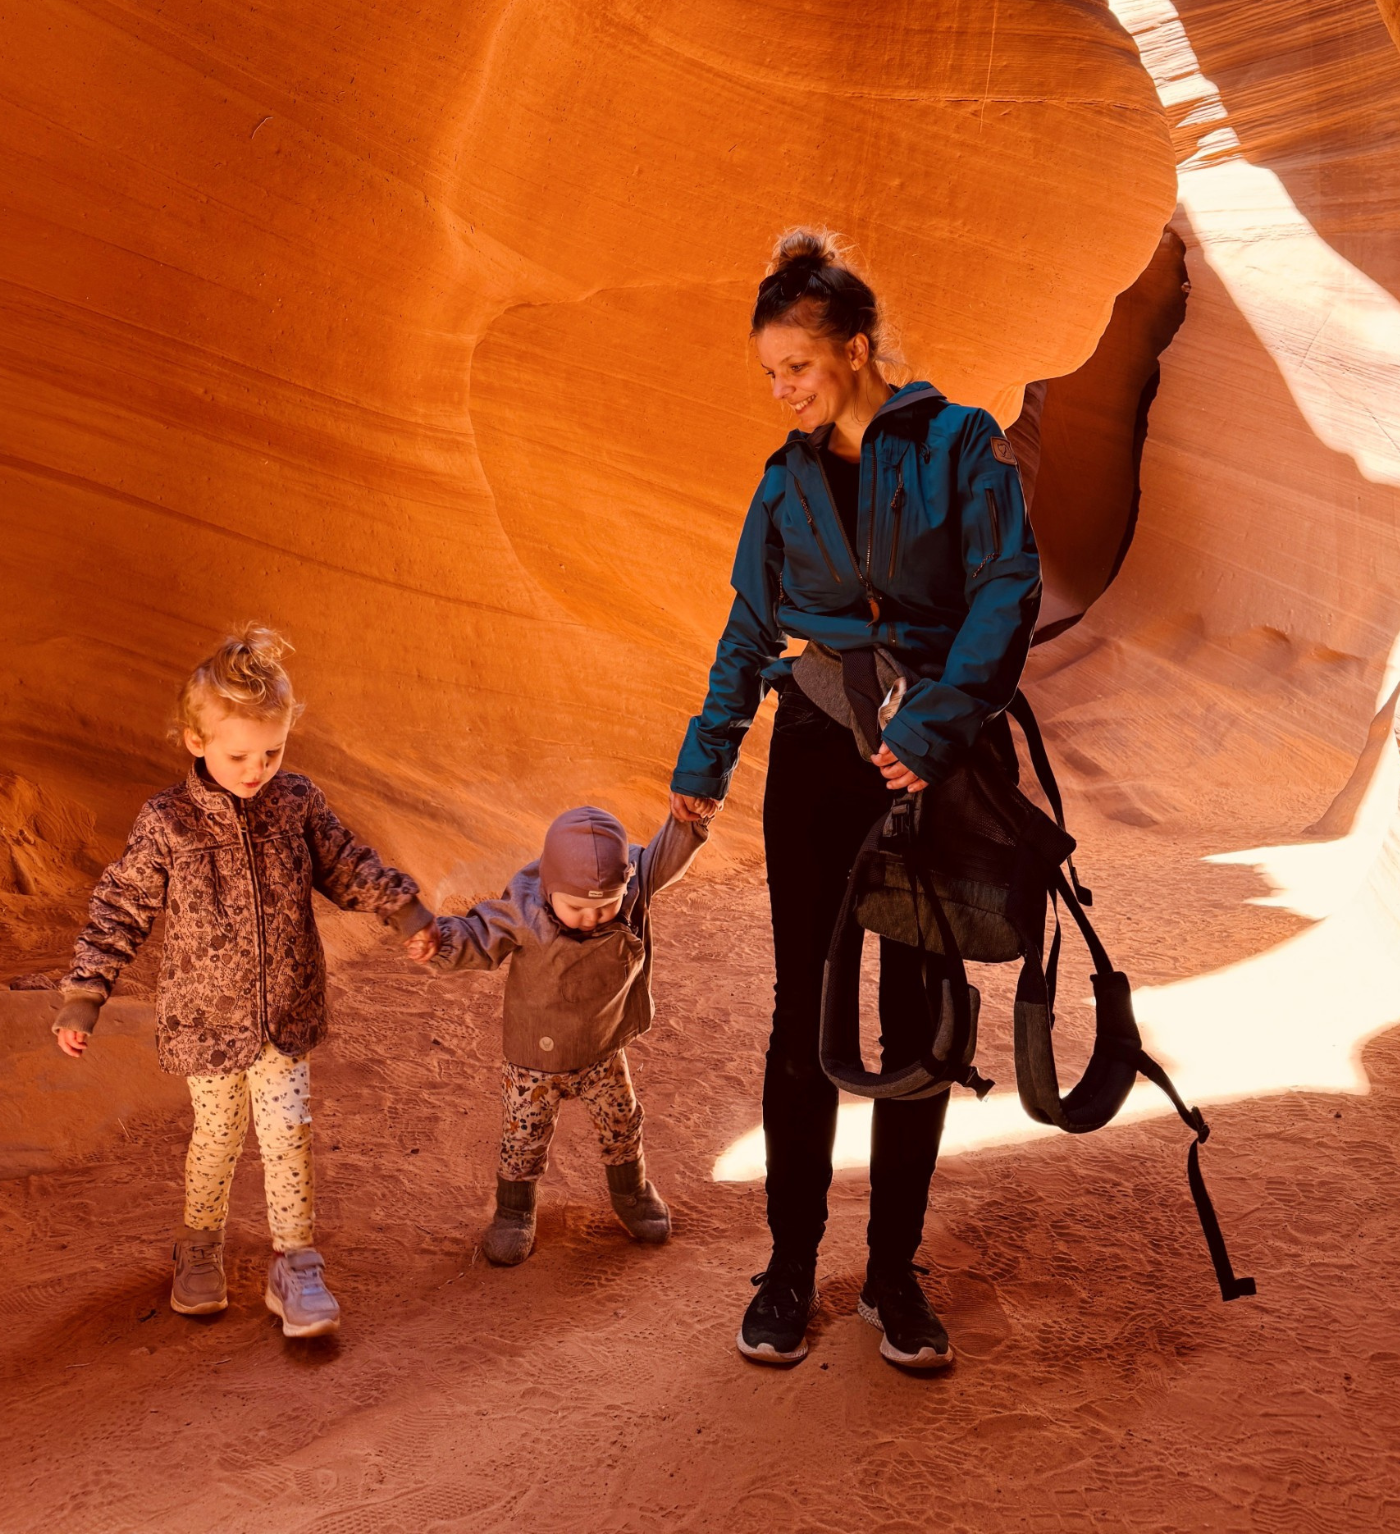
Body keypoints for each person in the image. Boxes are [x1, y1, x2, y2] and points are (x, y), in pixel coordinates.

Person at [669, 231, 1040, 1372]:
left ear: (856, 349)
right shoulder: (782, 482)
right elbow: (745, 630)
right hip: (820, 757)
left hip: (928, 759)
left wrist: (929, 732)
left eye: (796, 368)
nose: (781, 394)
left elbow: (1004, 590)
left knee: (917, 1010)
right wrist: (697, 782)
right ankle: (788, 1268)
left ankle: (891, 1274)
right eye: (770, 375)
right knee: (804, 1010)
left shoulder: (959, 445)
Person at [52, 627, 439, 1337]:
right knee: (219, 1135)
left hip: (285, 1012)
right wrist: (85, 994)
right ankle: (198, 1247)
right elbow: (120, 908)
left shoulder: (295, 803)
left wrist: (405, 910)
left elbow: (349, 865)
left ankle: (295, 1262)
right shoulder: (167, 822)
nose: (257, 768)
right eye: (239, 755)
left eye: (274, 751)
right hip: (206, 1023)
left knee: (288, 1133)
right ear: (194, 742)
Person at [415, 805, 708, 1265]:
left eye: (604, 905)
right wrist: (437, 941)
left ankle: (631, 1193)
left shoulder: (631, 891)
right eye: (577, 907)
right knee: (523, 1138)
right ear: (549, 887)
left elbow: (661, 859)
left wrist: (687, 822)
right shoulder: (524, 911)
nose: (592, 918)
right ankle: (513, 1213)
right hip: (535, 1059)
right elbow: (476, 934)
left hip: (602, 1048)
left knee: (622, 1124)